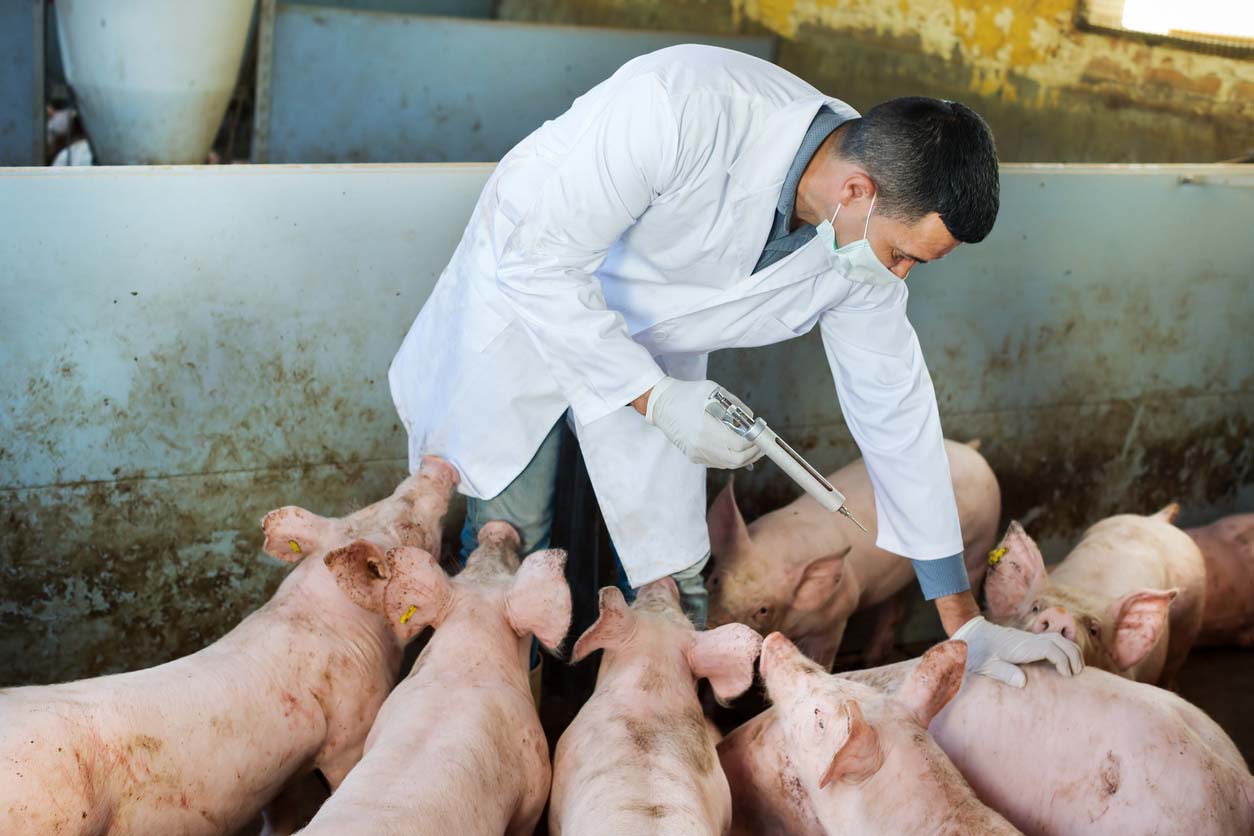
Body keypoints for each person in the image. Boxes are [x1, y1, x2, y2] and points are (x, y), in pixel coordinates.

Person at [390, 45, 1082, 686]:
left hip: (655, 340)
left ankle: (639, 736)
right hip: (527, 308)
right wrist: (655, 400)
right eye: (903, 254)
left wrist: (966, 626)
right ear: (856, 193)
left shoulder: (860, 250)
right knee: (509, 557)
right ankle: (496, 727)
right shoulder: (682, 105)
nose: (899, 274)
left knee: (674, 577)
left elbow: (896, 411)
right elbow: (537, 263)